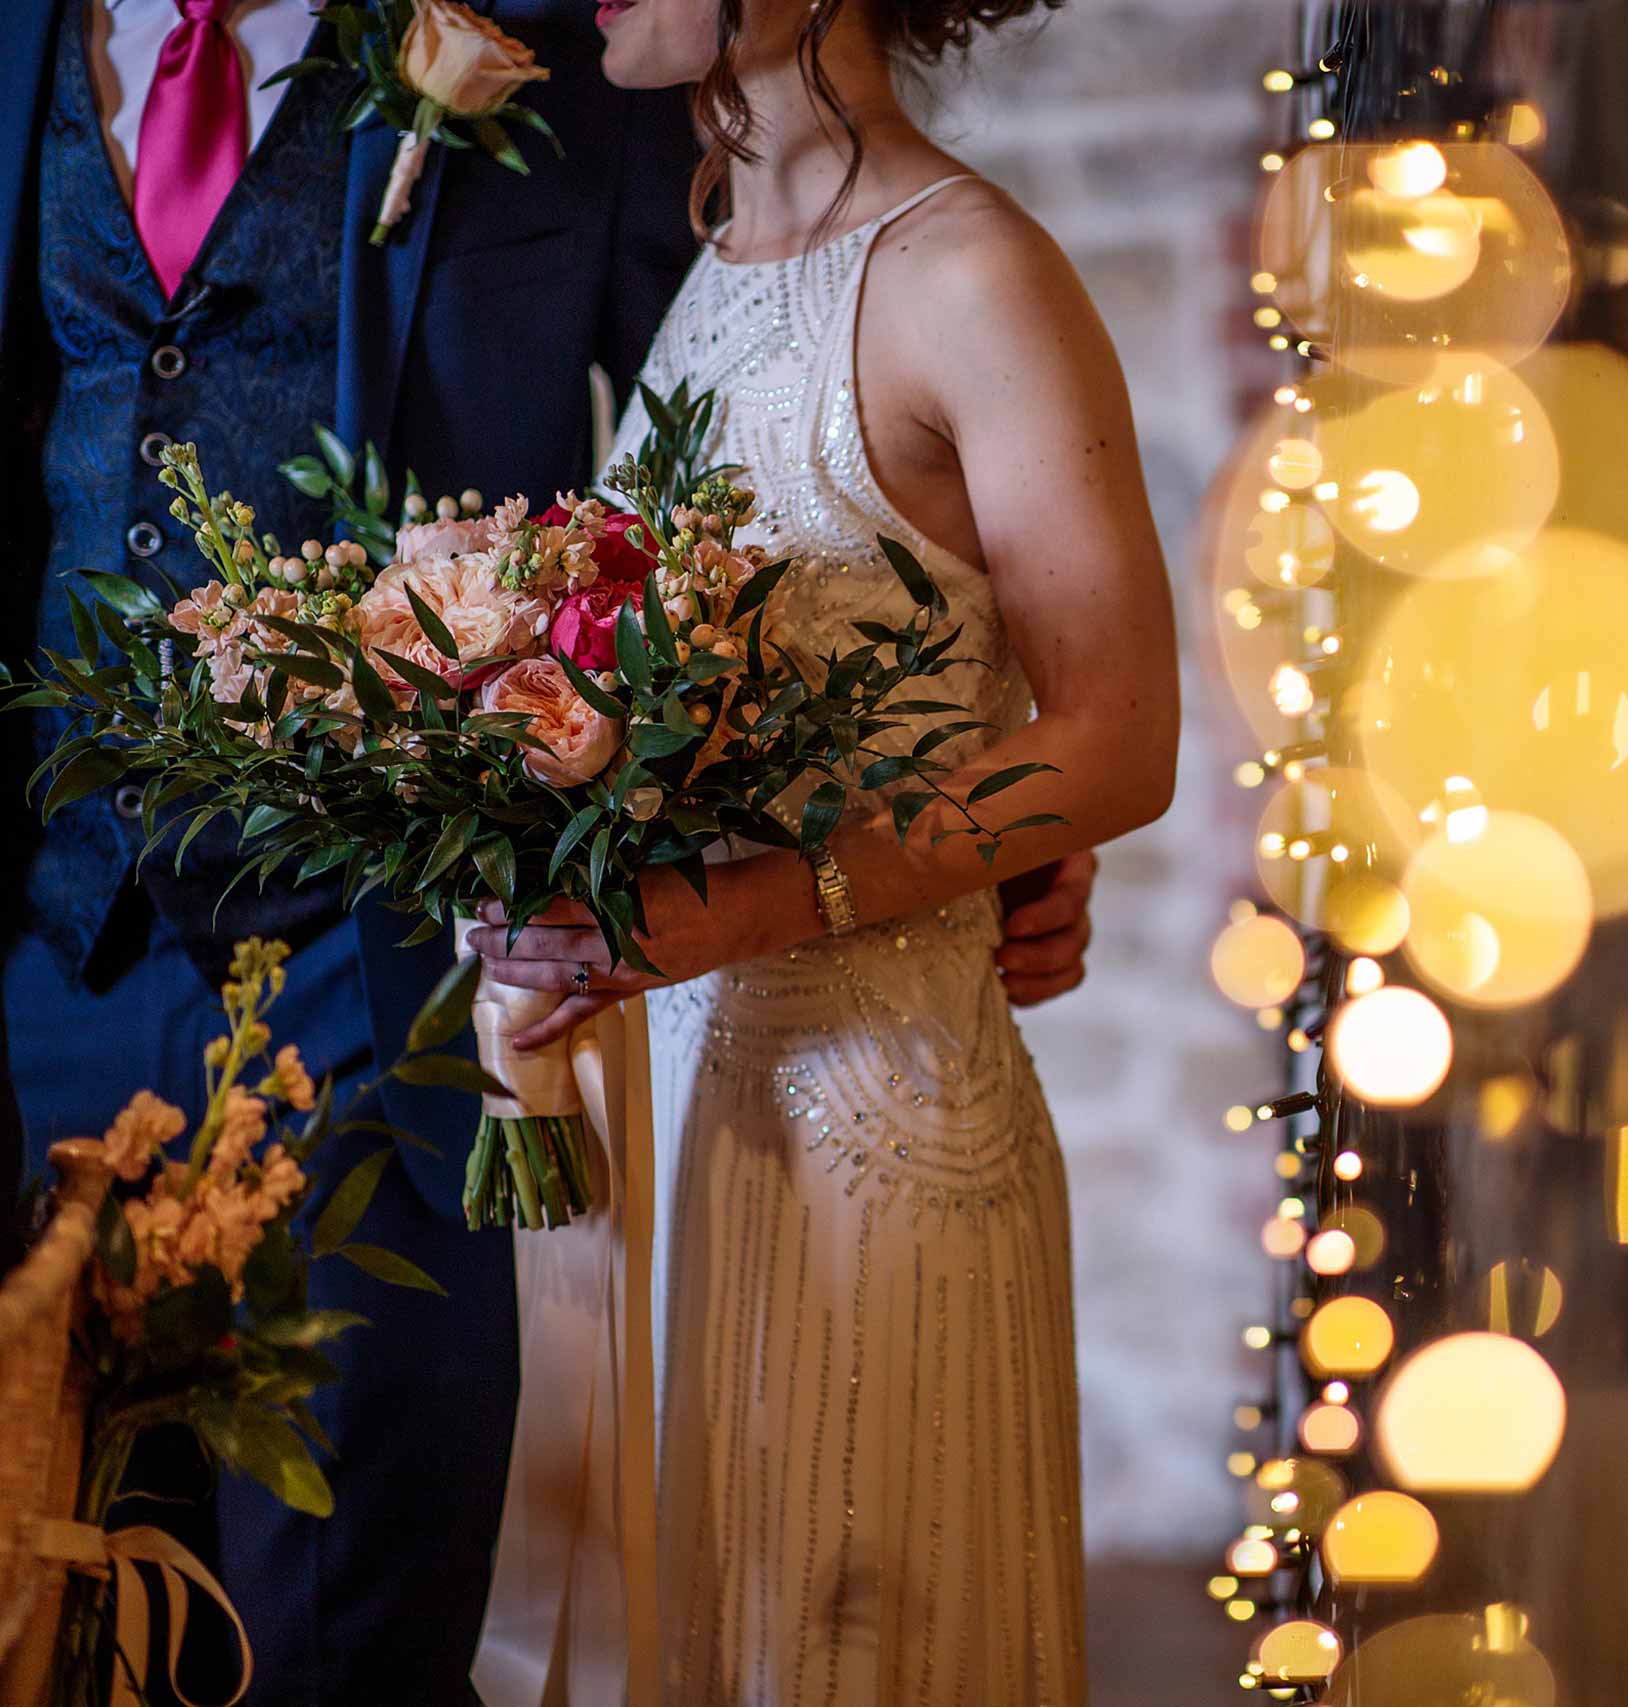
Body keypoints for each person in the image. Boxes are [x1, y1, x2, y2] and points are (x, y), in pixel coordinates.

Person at [0, 2, 1097, 1699]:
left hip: (414, 1000)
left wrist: (999, 816)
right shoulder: (16, 46)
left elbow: (804, 543)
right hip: (55, 964)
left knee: (350, 1640)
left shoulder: (601, 74)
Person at [467, 0, 1180, 1698]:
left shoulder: (973, 273)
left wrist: (748, 910)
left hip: (879, 1123)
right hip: (695, 1115)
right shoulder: (721, 259)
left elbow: (1113, 737)